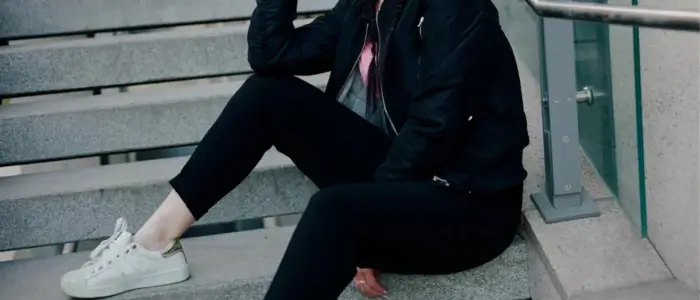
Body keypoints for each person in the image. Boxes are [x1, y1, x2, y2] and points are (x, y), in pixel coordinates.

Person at [60, 0, 529, 298]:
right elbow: (272, 56)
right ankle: (154, 245)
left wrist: (373, 224)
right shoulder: (365, 7)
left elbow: (433, 127)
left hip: (467, 204)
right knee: (269, 94)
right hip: (404, 175)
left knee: (334, 211)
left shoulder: (457, 7)